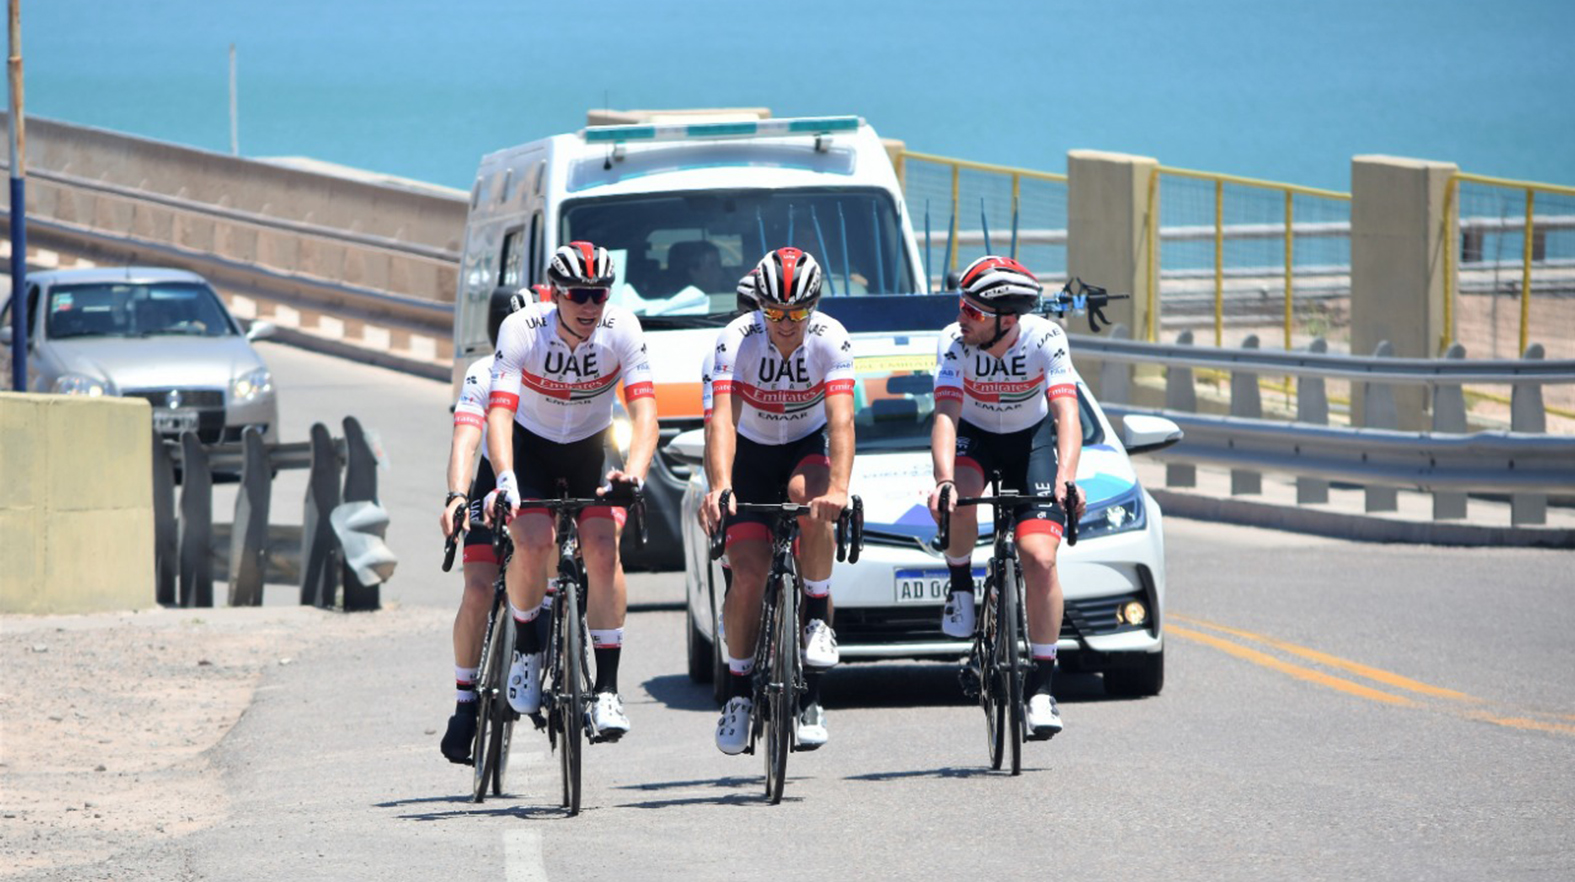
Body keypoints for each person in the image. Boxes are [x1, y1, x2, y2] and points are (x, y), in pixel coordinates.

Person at [484, 243, 659, 741]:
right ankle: (526, 646)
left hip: (590, 450)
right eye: (579, 295)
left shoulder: (622, 329)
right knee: (533, 542)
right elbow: (500, 412)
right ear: (556, 293)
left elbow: (646, 413)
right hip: (532, 449)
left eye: (598, 295)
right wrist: (505, 476)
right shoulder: (522, 330)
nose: (589, 306)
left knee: (603, 551)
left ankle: (606, 690)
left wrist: (635, 474)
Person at [699, 247, 855, 754]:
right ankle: (739, 694)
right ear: (760, 306)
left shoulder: (831, 337)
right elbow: (722, 421)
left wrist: (839, 489)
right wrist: (721, 486)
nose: (786, 324)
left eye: (797, 312)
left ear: (814, 306)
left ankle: (816, 631)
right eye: (774, 312)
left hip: (804, 449)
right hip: (750, 455)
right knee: (748, 574)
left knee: (810, 501)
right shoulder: (736, 339)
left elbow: (841, 422)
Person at [927, 255, 1087, 740]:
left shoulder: (1045, 338)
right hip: (974, 437)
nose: (962, 316)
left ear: (1008, 319)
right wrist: (943, 480)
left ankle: (1041, 688)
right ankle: (960, 586)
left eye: (974, 311)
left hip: (1029, 442)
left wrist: (1066, 478)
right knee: (960, 498)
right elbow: (946, 414)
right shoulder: (953, 341)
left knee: (1039, 557)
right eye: (962, 305)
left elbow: (1066, 413)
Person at [437, 283, 546, 763]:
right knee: (479, 588)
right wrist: (458, 497)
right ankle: (465, 703)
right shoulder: (483, 373)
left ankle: (552, 649)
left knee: (557, 564)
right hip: (492, 487)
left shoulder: (567, 366)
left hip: (546, 482)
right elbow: (466, 438)